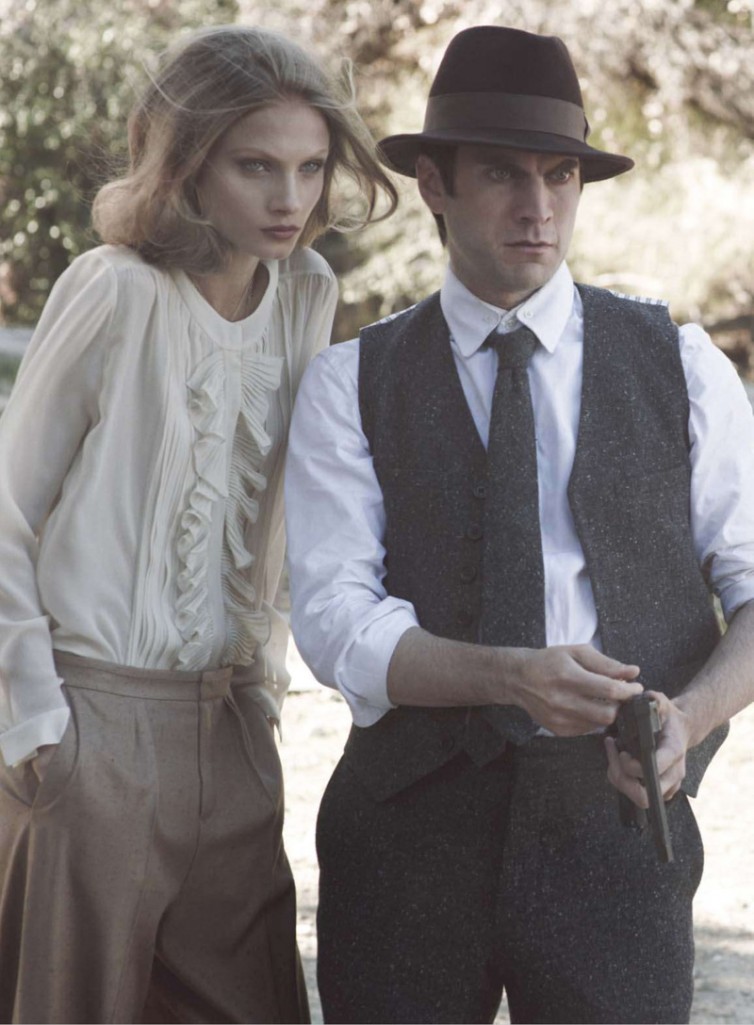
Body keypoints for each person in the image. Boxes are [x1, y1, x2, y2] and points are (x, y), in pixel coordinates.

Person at [284, 25, 754, 1025]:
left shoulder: (679, 364)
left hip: (616, 827)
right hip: (405, 831)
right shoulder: (348, 381)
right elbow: (333, 620)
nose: (538, 206)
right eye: (502, 173)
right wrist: (509, 673)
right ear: (434, 185)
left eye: (560, 175)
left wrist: (693, 714)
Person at [0, 24, 396, 1025]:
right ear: (186, 166)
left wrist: (261, 689)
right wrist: (37, 723)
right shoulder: (114, 289)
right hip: (90, 718)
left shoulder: (306, 293)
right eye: (255, 166)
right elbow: (5, 507)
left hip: (231, 723)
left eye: (310, 167)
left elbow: (274, 514)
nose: (289, 197)